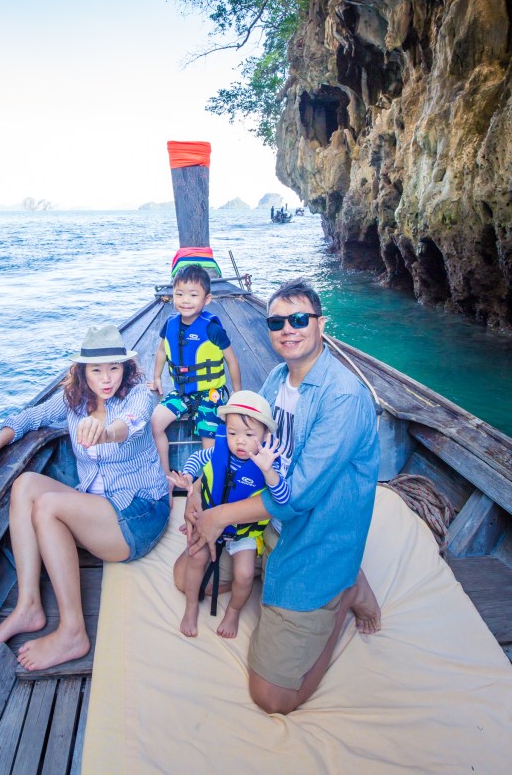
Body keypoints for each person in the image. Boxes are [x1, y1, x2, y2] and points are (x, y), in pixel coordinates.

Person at [186, 277, 381, 715]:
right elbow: (237, 439)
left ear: (320, 324)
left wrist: (221, 517)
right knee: (186, 579)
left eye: (298, 319)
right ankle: (275, 568)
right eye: (277, 322)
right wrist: (199, 486)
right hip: (264, 527)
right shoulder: (276, 380)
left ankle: (346, 592)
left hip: (311, 539)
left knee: (272, 698)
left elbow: (300, 496)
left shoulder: (343, 397)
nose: (287, 329)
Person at [0, 324, 169, 672]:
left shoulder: (138, 395)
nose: (106, 379)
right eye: (97, 370)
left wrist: (104, 433)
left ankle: (73, 632)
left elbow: (130, 424)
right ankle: (29, 607)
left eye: (114, 368)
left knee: (49, 506)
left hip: (139, 513)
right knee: (24, 484)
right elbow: (30, 417)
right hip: (98, 510)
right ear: (82, 372)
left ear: (126, 368)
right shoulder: (74, 402)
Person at [171, 390, 290, 639]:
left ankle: (234, 611)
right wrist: (189, 477)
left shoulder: (268, 463)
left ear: (265, 436)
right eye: (233, 433)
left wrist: (269, 472)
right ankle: (192, 606)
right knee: (195, 557)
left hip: (243, 531)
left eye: (249, 435)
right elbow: (197, 457)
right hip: (211, 521)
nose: (240, 442)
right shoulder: (220, 452)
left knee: (245, 574)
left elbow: (281, 498)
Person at [148, 264, 242, 480]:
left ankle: (205, 482)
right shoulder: (170, 324)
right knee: (155, 422)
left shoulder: (212, 329)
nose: (185, 300)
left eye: (193, 295)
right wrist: (156, 378)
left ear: (206, 299)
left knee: (209, 437)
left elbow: (232, 360)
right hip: (182, 392)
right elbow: (161, 351)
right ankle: (166, 476)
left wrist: (237, 394)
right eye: (179, 294)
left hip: (210, 393)